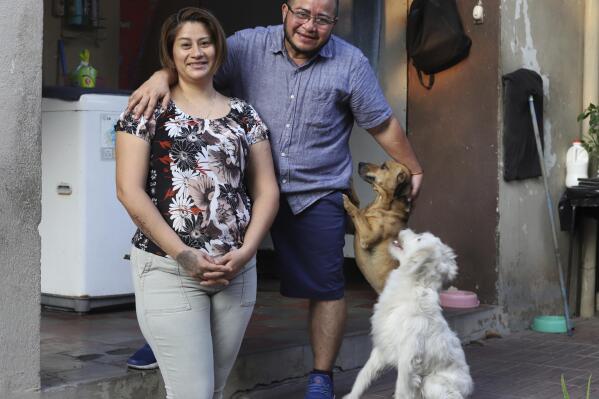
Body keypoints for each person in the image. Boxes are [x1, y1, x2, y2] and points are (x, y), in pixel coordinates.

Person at [128, 1, 423, 398]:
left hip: (315, 190)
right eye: (302, 13)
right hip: (246, 184)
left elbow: (381, 122)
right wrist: (160, 77)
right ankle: (171, 334)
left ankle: (320, 377)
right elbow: (198, 59)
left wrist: (413, 167)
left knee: (326, 285)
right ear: (284, 10)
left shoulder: (350, 63)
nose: (309, 25)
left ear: (333, 22)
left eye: (322, 19)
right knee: (189, 229)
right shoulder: (247, 45)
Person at [115, 7, 279, 399]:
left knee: (214, 390)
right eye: (184, 45)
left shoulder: (244, 115)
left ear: (218, 49)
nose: (196, 52)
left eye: (205, 43)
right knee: (193, 392)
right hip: (169, 267)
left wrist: (248, 251)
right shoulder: (146, 109)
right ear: (170, 54)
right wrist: (184, 254)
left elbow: (267, 190)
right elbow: (128, 190)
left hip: (236, 270)